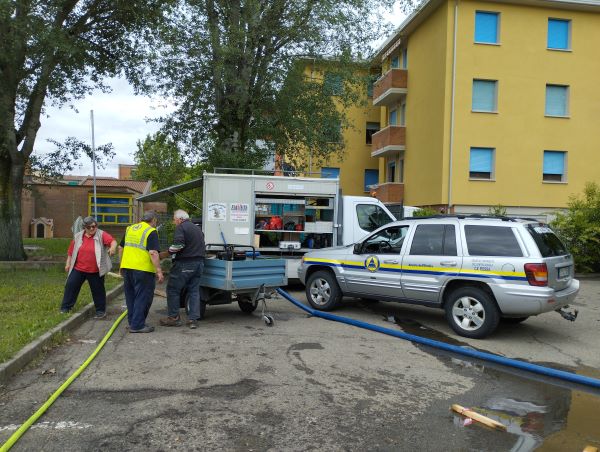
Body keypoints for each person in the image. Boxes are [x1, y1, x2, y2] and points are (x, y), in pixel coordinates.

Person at [60, 216, 117, 318]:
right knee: (71, 286)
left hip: (95, 270)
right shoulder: (78, 236)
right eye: (89, 227)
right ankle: (65, 308)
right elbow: (70, 252)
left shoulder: (101, 234)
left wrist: (112, 248)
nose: (92, 229)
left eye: (94, 226)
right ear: (84, 228)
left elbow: (113, 241)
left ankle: (100, 311)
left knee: (98, 290)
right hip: (79, 268)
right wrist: (68, 264)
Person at [119, 211, 164, 333]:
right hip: (142, 270)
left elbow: (120, 248)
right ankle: (137, 325)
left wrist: (121, 264)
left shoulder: (130, 229)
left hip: (127, 268)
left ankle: (133, 322)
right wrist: (159, 270)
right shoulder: (151, 231)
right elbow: (153, 252)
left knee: (131, 296)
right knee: (143, 297)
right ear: (153, 220)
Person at [160, 209, 206, 329]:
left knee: (173, 289)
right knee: (194, 291)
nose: (174, 222)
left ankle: (174, 318)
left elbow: (178, 245)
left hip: (185, 263)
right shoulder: (197, 228)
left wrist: (166, 253)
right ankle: (193, 320)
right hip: (199, 263)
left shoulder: (181, 227)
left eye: (175, 220)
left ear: (180, 219)